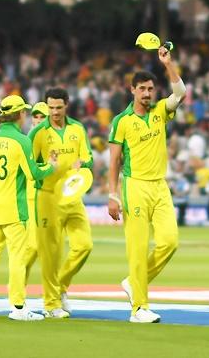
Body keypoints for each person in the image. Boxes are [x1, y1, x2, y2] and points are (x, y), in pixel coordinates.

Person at [107, 45, 185, 323]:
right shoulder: (122, 121)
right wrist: (112, 195)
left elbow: (181, 93)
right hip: (135, 186)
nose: (148, 93)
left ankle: (133, 283)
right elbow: (114, 162)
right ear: (133, 90)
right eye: (142, 89)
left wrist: (168, 64)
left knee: (169, 242)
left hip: (159, 186)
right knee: (137, 250)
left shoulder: (160, 111)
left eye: (151, 89)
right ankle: (138, 308)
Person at [0, 95, 56, 321]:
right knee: (17, 258)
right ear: (18, 115)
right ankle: (18, 307)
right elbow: (34, 174)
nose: (26, 115)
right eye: (24, 112)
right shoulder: (22, 141)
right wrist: (51, 166)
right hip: (14, 209)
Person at [29, 88, 94, 318]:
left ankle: (60, 287)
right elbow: (29, 168)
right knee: (51, 254)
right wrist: (47, 166)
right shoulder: (38, 133)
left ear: (66, 105)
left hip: (72, 195)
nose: (54, 112)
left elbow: (89, 157)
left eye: (58, 107)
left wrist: (83, 164)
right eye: (50, 108)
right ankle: (50, 305)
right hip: (47, 197)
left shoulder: (77, 128)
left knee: (84, 245)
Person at [24, 102, 48, 282]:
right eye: (36, 117)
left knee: (47, 248)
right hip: (30, 198)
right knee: (32, 245)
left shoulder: (53, 141)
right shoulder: (25, 141)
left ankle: (54, 296)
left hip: (50, 198)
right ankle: (16, 287)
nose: (38, 120)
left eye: (42, 117)